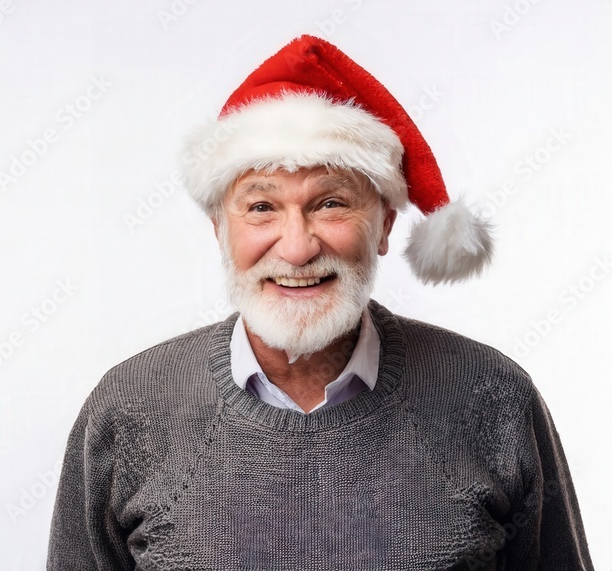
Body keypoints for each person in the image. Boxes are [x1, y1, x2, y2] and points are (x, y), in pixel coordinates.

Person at [46, 35, 593, 570]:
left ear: (383, 226)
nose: (297, 247)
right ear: (219, 229)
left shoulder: (491, 395)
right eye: (261, 207)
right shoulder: (128, 407)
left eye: (330, 203)